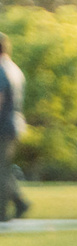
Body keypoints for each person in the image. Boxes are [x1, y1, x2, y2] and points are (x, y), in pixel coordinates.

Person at [0, 31, 28, 221]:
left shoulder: (1, 69)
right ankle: (19, 202)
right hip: (14, 124)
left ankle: (2, 212)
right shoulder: (13, 68)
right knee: (4, 168)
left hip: (3, 126)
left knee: (1, 170)